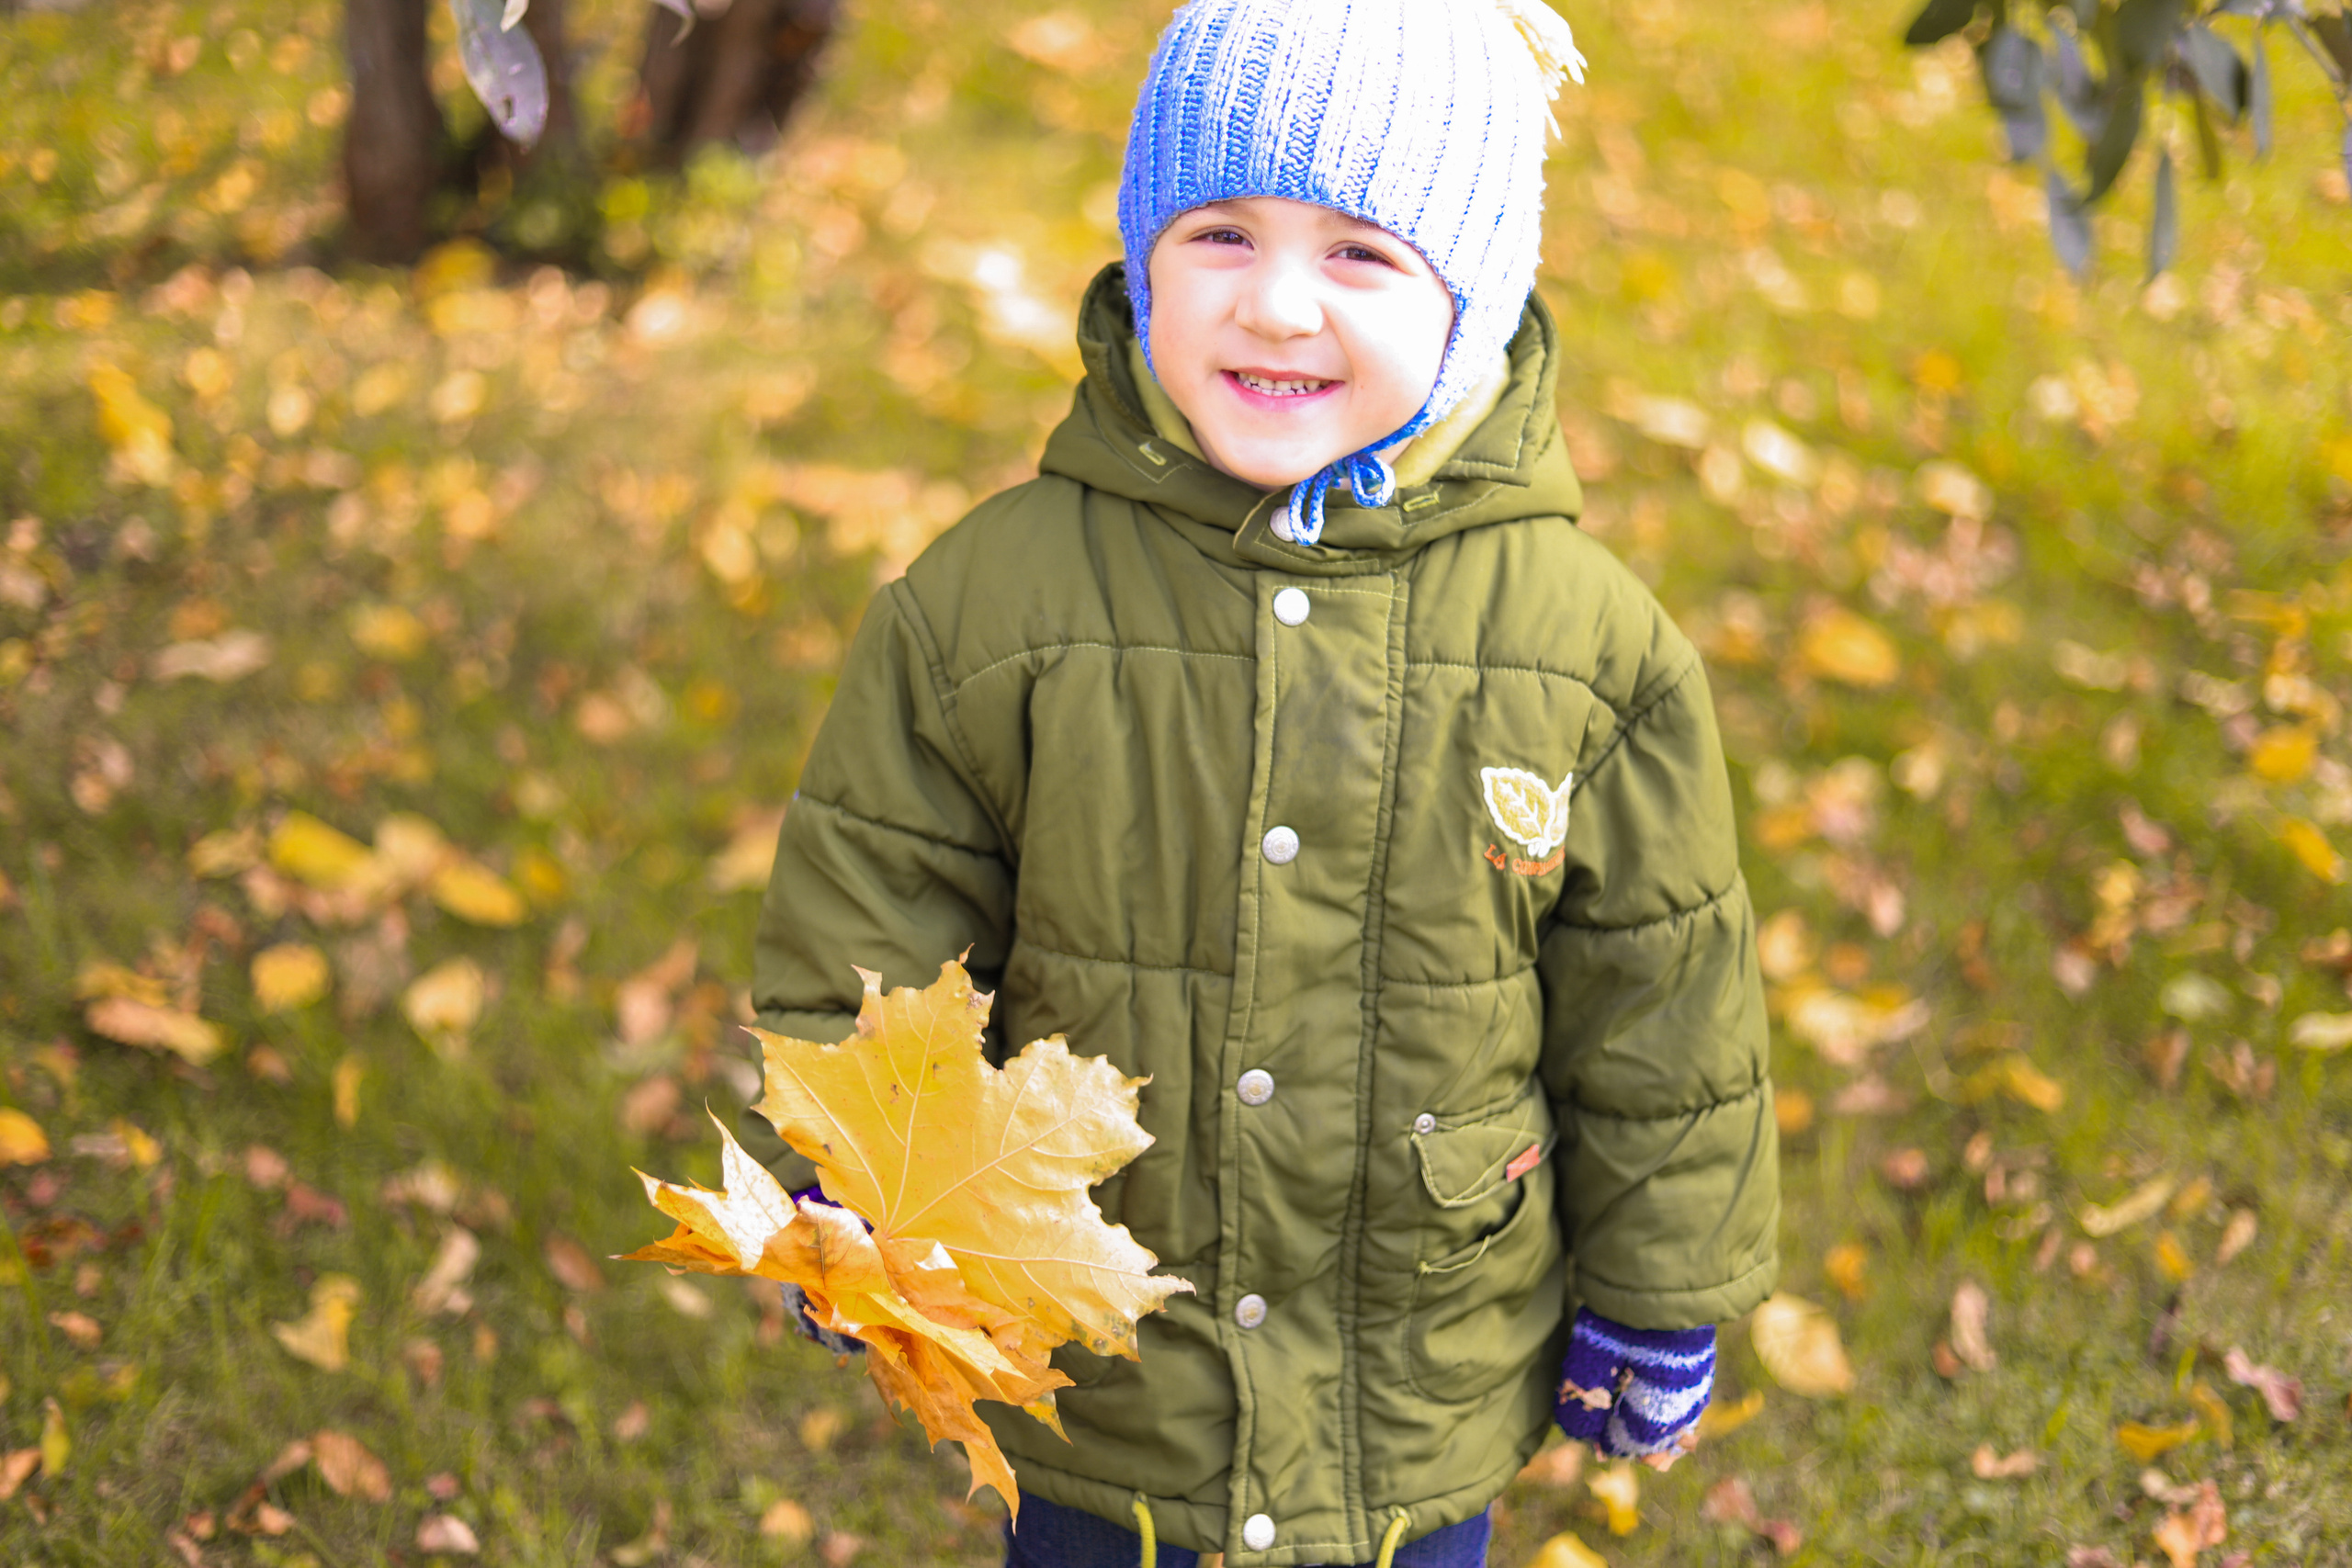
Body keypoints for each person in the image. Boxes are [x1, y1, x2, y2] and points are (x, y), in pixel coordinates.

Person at [744, 0, 1780, 1562]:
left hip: (1409, 1372)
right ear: (1141, 262)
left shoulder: (1585, 648)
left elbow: (1662, 1001)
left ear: (1473, 305)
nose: (1278, 307)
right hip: (1098, 1363)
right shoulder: (993, 607)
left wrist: (1659, 1288)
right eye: (1219, 233)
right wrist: (851, 1188)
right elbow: (872, 919)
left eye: (1361, 252)